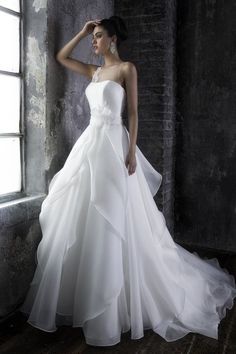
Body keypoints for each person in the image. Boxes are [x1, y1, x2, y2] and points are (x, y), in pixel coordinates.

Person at [20, 16, 236, 347]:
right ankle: (88, 298)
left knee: (114, 217)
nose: (94, 42)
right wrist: (80, 31)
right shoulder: (94, 73)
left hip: (113, 147)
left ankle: (116, 303)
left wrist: (132, 151)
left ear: (113, 40)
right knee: (84, 217)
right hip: (89, 147)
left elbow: (133, 113)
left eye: (99, 36)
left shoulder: (126, 70)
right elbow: (61, 58)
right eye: (93, 37)